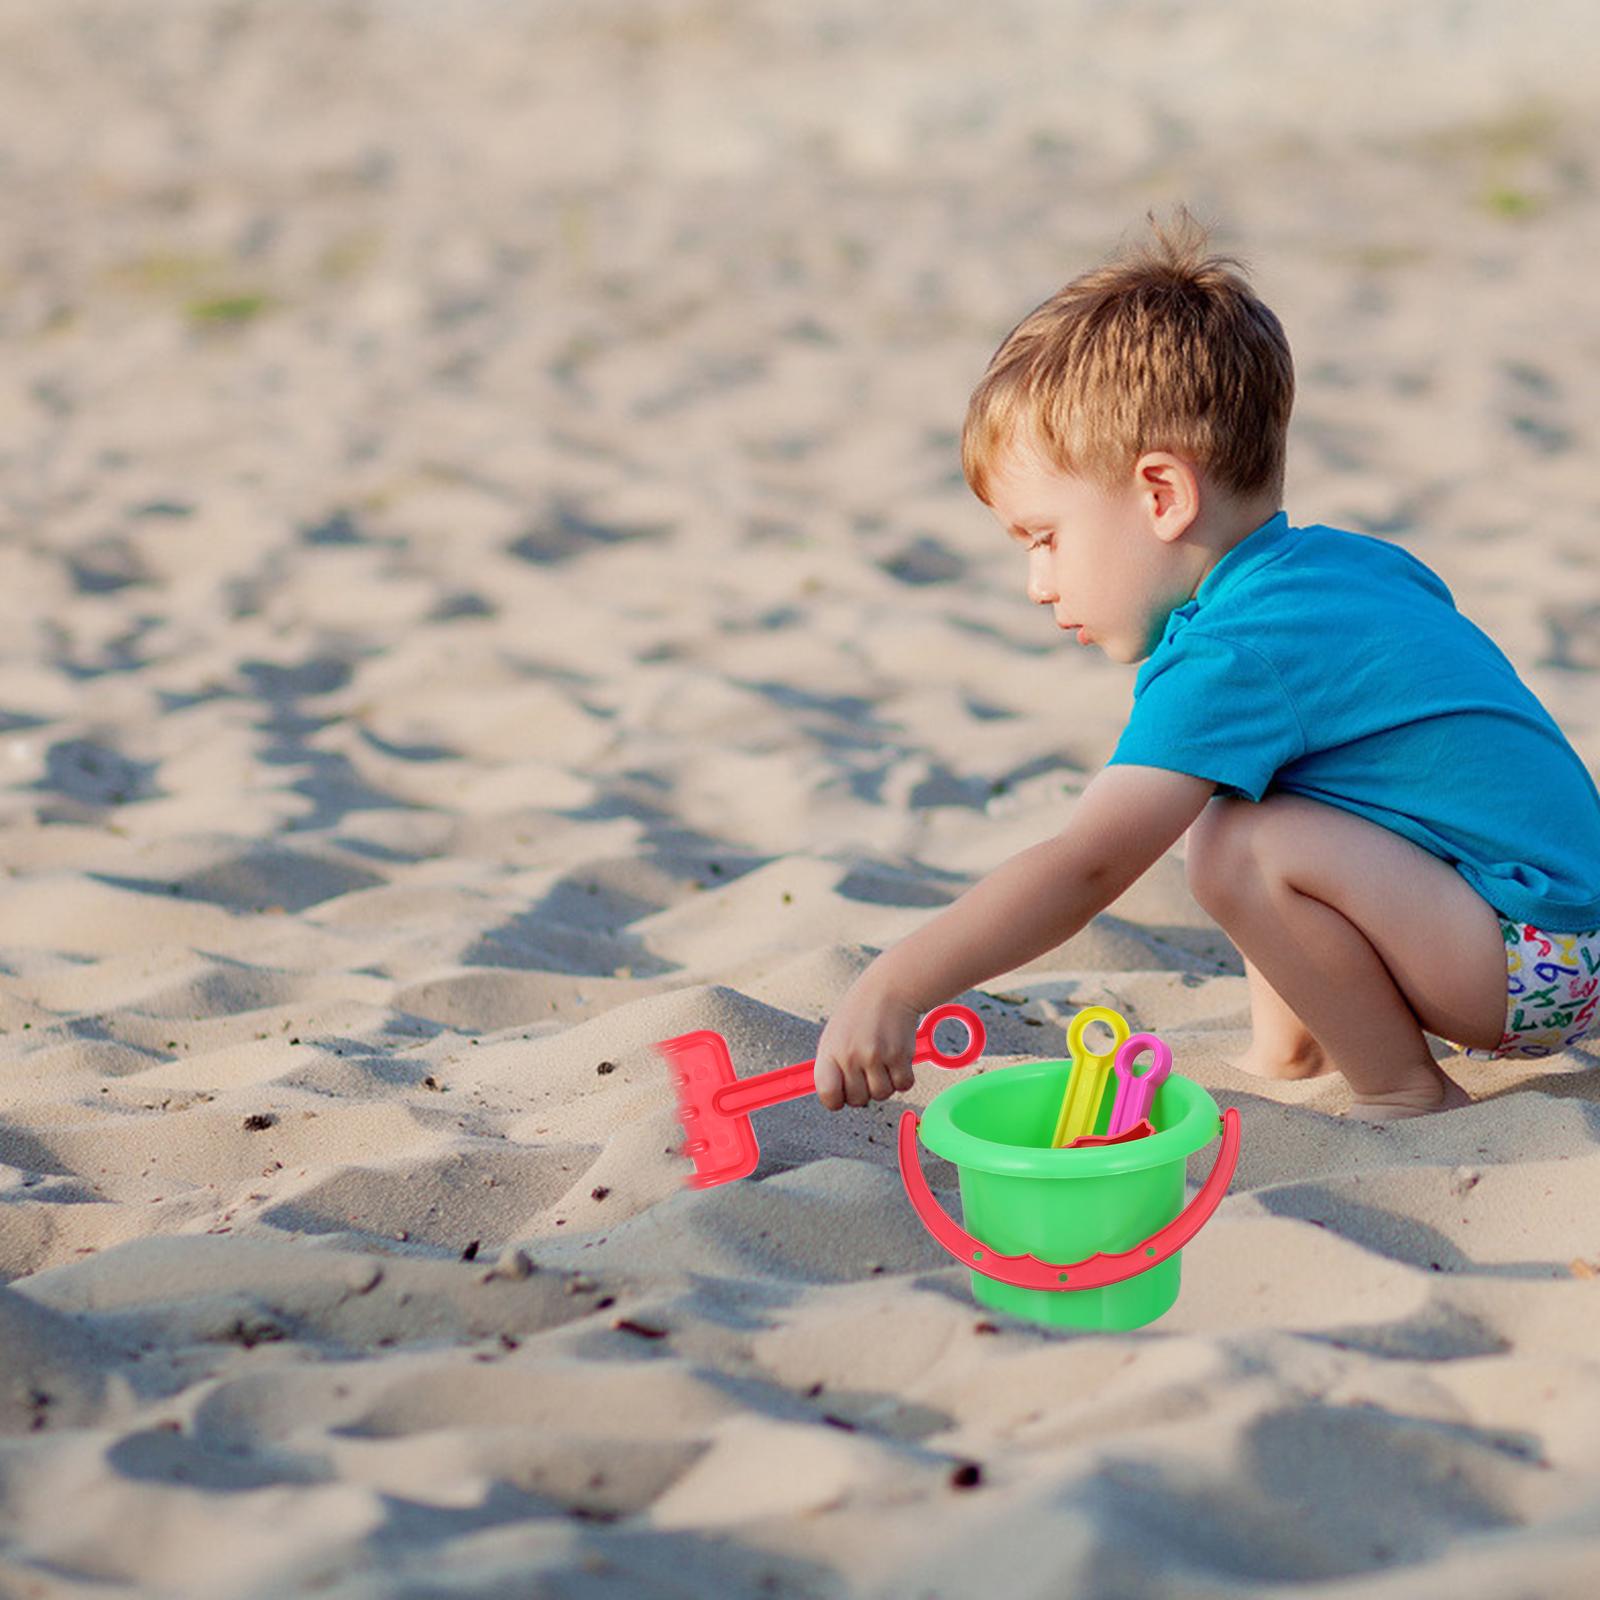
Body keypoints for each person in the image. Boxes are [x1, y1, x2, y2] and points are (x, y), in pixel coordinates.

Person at [813, 211, 1600, 1122]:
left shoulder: (1235, 653)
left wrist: (899, 985)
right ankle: (1293, 1047)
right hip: (1557, 924)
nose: (1036, 583)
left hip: (1532, 964)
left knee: (1235, 843)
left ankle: (1399, 1090)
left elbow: (1086, 867)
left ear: (1161, 494)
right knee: (1255, 793)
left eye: (1044, 539)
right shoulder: (1340, 568)